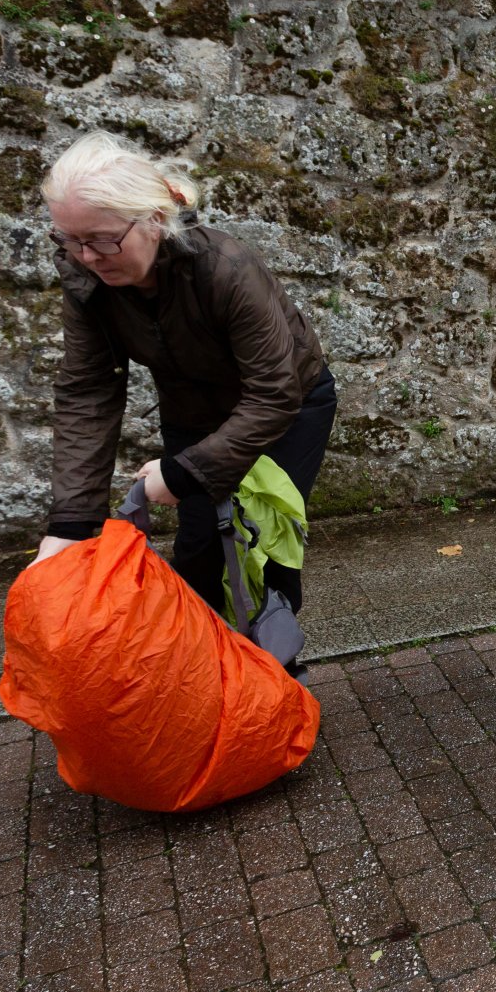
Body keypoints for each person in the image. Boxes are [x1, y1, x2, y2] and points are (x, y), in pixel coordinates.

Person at [32, 131, 337, 633]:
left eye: (102, 240)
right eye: (69, 239)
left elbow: (273, 393)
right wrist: (70, 525)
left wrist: (182, 474)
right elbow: (88, 393)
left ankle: (273, 675)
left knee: (262, 541)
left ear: (153, 221)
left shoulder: (227, 268)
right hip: (194, 413)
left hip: (289, 407)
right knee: (199, 552)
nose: (86, 257)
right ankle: (208, 674)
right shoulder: (87, 282)